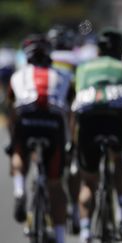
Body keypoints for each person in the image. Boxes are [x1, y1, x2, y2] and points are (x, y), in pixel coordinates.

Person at [71, 28, 122, 243]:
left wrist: (73, 142)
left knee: (88, 182)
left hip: (88, 120)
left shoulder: (83, 68)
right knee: (120, 162)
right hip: (114, 121)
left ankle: (86, 232)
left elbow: (76, 105)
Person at [7, 34, 71, 243]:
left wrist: (12, 142)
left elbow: (11, 110)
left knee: (18, 152)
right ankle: (61, 238)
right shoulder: (63, 75)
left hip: (26, 119)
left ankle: (18, 190)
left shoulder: (18, 76)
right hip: (53, 123)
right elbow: (69, 112)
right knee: (55, 185)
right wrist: (70, 142)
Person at [46, 24, 81, 234]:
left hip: (47, 114)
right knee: (72, 164)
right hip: (69, 115)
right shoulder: (75, 59)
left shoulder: (44, 56)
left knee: (49, 170)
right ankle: (75, 210)